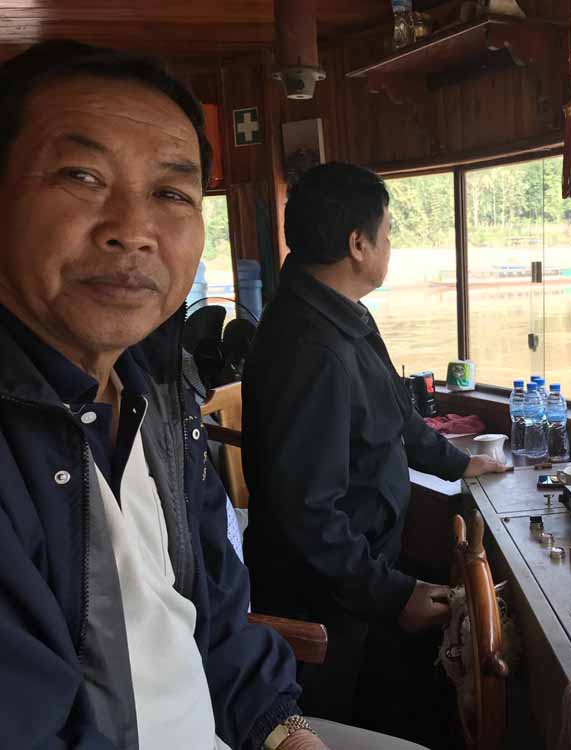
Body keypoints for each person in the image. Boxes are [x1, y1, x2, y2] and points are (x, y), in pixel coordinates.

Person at [0, 41, 426, 750]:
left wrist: (281, 730)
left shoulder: (157, 399)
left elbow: (214, 609)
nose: (133, 230)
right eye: (81, 175)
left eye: (171, 192)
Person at [241, 163, 506, 737]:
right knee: (345, 721)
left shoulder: (341, 316)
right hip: (326, 599)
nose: (390, 245)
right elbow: (306, 515)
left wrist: (463, 464)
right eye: (386, 233)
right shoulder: (311, 348)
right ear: (357, 244)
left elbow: (397, 418)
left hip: (361, 571)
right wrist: (392, 595)